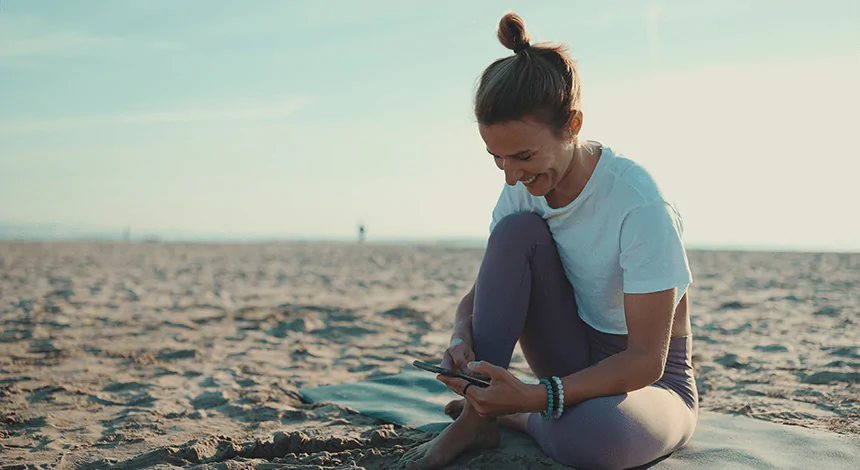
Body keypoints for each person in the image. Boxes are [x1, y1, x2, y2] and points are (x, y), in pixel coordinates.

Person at [400, 12, 697, 470]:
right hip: (570, 353)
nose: (512, 174)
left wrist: (537, 397)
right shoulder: (520, 192)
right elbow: (477, 300)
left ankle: (512, 414)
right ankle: (481, 414)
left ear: (573, 125)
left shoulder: (638, 203)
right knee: (514, 233)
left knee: (600, 440)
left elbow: (645, 361)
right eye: (495, 157)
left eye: (523, 155)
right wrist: (462, 337)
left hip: (650, 383)